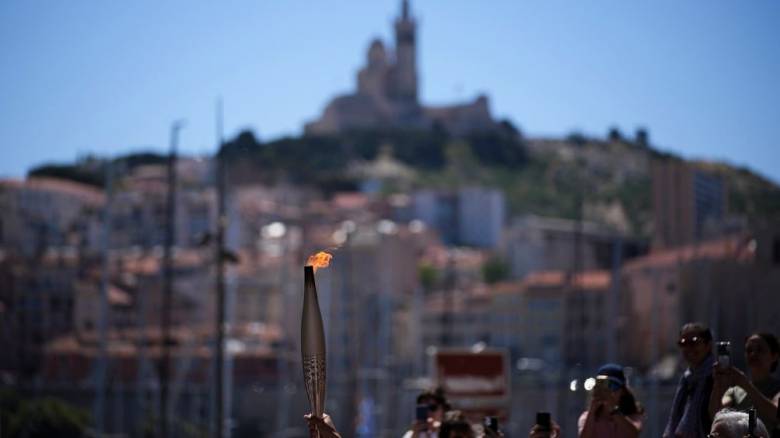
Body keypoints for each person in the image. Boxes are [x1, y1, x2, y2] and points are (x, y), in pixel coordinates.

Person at [709, 332, 780, 430]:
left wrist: (745, 384)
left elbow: (776, 415)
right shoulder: (735, 389)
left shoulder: (776, 388)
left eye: (760, 350)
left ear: (774, 356)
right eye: (749, 350)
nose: (753, 354)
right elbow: (716, 414)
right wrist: (718, 384)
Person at [664, 322, 716, 438]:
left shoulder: (717, 376)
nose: (688, 348)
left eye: (693, 342)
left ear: (708, 345)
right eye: (682, 343)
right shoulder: (687, 379)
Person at [578, 363, 643, 438]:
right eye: (604, 385)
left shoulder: (632, 415)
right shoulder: (587, 417)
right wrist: (592, 409)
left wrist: (613, 409)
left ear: (622, 391)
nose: (608, 391)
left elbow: (633, 434)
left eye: (613, 386)